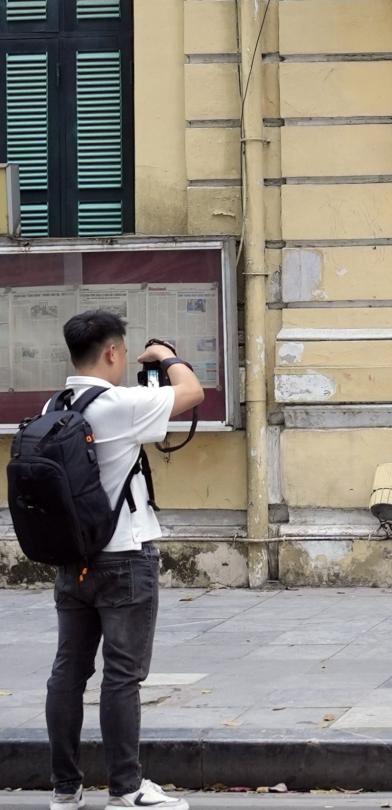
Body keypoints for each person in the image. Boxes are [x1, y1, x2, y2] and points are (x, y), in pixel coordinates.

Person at [46, 311, 203, 810]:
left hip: (73, 562)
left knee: (68, 672)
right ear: (113, 352)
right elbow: (192, 392)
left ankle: (65, 789)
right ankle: (126, 787)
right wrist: (168, 357)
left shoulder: (55, 405)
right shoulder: (119, 404)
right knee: (122, 676)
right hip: (124, 561)